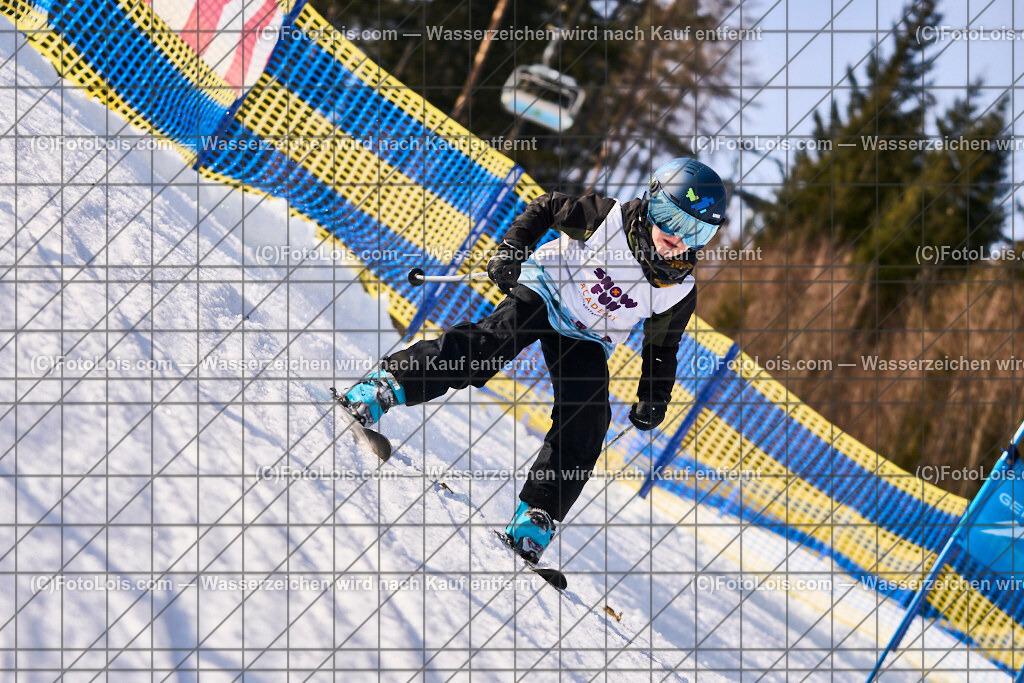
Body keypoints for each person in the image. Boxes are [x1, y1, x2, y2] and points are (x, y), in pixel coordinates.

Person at [339, 158, 728, 563]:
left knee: (588, 415)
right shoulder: (606, 219)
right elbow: (545, 206)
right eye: (669, 218)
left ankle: (537, 516)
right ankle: (381, 389)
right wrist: (512, 250)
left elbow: (662, 347)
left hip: (588, 335)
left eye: (695, 231)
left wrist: (653, 395)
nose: (677, 237)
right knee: (487, 347)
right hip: (545, 290)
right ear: (650, 203)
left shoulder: (678, 290)